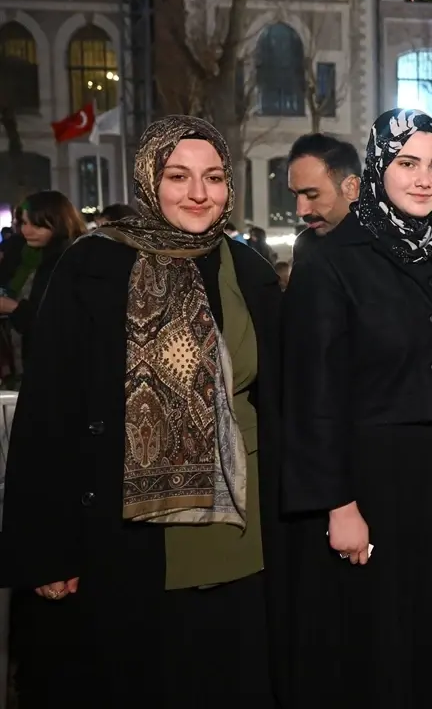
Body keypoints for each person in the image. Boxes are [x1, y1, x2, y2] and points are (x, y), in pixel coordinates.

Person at [1, 116, 290, 708]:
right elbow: (49, 411)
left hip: (242, 522)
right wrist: (46, 546)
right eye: (178, 175)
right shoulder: (93, 266)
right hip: (126, 528)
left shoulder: (249, 270)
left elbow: (282, 397)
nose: (198, 193)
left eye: (212, 177)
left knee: (232, 679)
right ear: (148, 179)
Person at [282, 109, 432, 707]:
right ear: (378, 169)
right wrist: (338, 503)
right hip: (369, 481)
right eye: (407, 164)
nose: (424, 179)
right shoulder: (330, 260)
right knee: (378, 643)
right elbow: (311, 392)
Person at [0, 191, 86, 369]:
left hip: (59, 369)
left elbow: (63, 324)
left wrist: (13, 308)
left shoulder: (73, 261)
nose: (26, 231)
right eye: (24, 223)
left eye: (37, 226)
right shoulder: (27, 255)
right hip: (27, 361)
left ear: (60, 223)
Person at [286, 132, 362, 263]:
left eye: (312, 195)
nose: (300, 211)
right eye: (295, 196)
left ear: (351, 188)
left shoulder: (394, 250)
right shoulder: (305, 248)